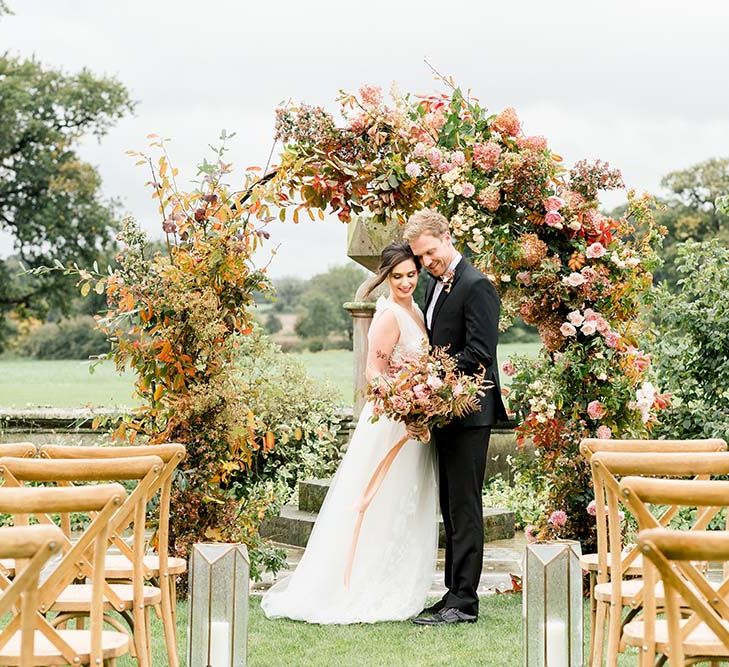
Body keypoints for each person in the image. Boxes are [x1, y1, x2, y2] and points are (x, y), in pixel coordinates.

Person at [261, 241, 438, 624]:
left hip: (415, 420)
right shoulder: (388, 314)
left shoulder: (416, 310)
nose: (405, 282)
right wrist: (403, 403)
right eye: (397, 276)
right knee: (378, 500)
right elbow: (373, 373)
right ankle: (362, 585)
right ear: (385, 277)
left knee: (406, 501)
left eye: (411, 275)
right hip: (392, 422)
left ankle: (397, 577)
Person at [404, 208, 507, 626]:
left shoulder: (477, 285)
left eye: (430, 253)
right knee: (450, 506)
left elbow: (480, 353)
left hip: (470, 413)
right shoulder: (434, 285)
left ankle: (464, 602)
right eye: (420, 257)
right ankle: (451, 593)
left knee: (465, 507)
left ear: (447, 237)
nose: (426, 263)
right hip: (444, 411)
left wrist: (430, 376)